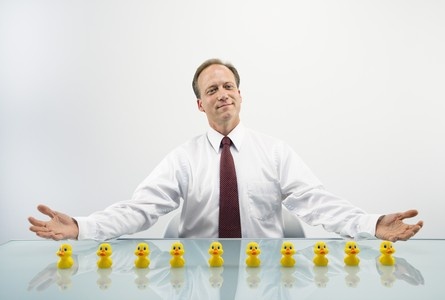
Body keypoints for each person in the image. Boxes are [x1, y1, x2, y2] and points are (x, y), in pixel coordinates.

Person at [28, 58, 423, 242]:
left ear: (240, 94)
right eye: (211, 90)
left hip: (267, 277)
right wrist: (82, 227)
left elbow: (318, 204)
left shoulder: (275, 152)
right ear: (200, 104)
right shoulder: (183, 158)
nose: (222, 94)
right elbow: (141, 209)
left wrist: (371, 225)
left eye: (228, 86)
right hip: (198, 278)